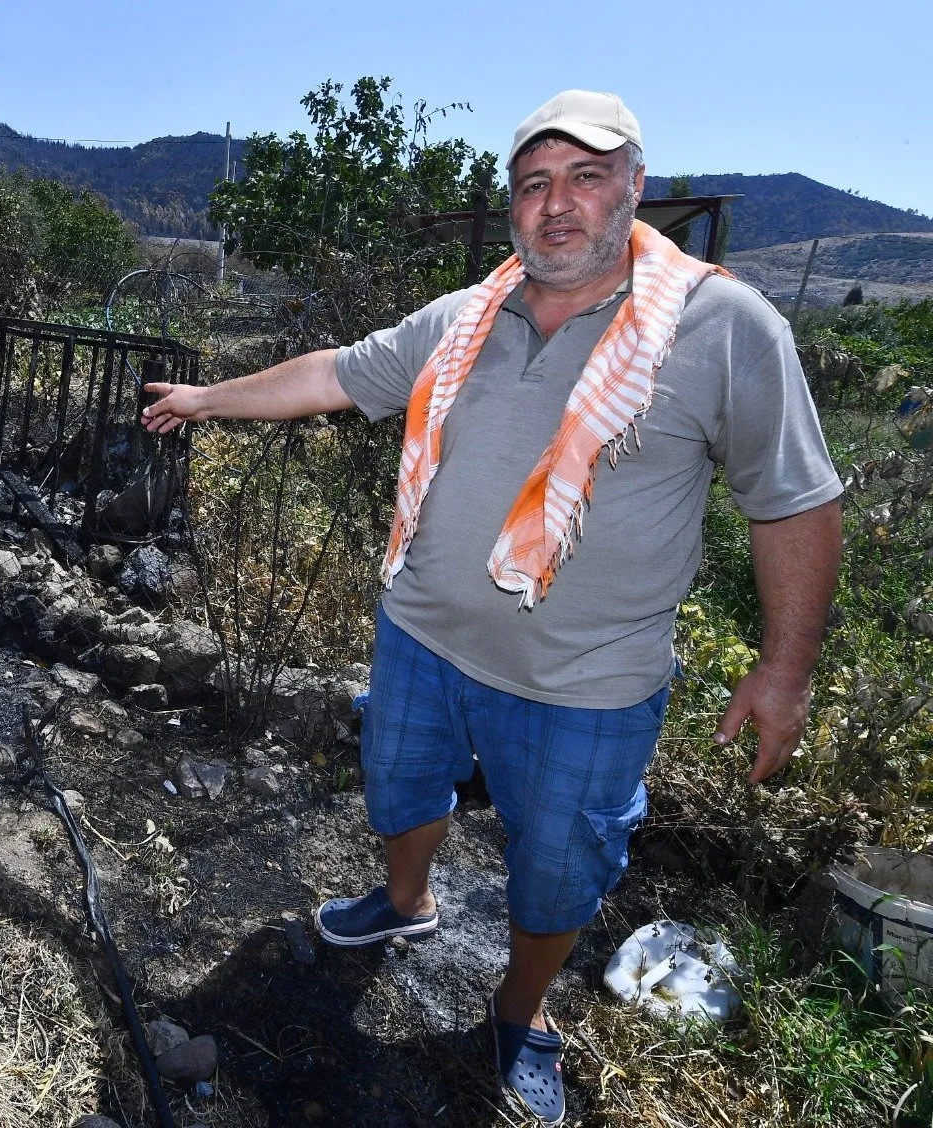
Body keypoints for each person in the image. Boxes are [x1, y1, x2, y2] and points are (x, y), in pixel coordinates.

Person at [140, 90, 842, 1125]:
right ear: (513, 205)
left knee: (560, 866)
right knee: (398, 785)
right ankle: (405, 904)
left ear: (634, 187)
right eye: (533, 184)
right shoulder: (473, 311)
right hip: (423, 635)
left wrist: (783, 672)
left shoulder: (720, 324)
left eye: (585, 177)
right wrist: (204, 398)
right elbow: (338, 372)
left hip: (584, 686)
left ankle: (521, 1010)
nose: (556, 204)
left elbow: (793, 498)